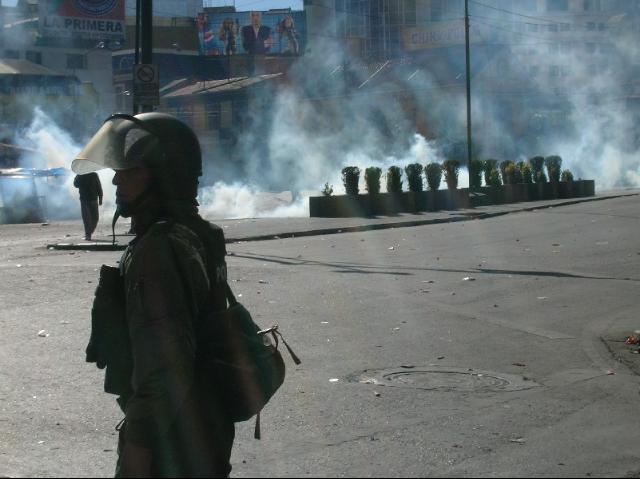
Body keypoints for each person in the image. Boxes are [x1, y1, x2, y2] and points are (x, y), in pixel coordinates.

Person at [73, 113, 234, 477]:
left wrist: (138, 447)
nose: (116, 178)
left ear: (164, 174)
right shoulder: (194, 233)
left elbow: (165, 363)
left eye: (131, 170)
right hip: (204, 423)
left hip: (170, 436)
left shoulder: (157, 251)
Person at [73, 171, 102, 241]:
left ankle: (89, 233)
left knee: (95, 218)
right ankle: (88, 234)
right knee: (87, 218)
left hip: (93, 199)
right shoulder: (80, 174)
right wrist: (79, 175)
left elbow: (99, 186)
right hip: (84, 200)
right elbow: (75, 184)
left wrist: (100, 198)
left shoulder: (94, 175)